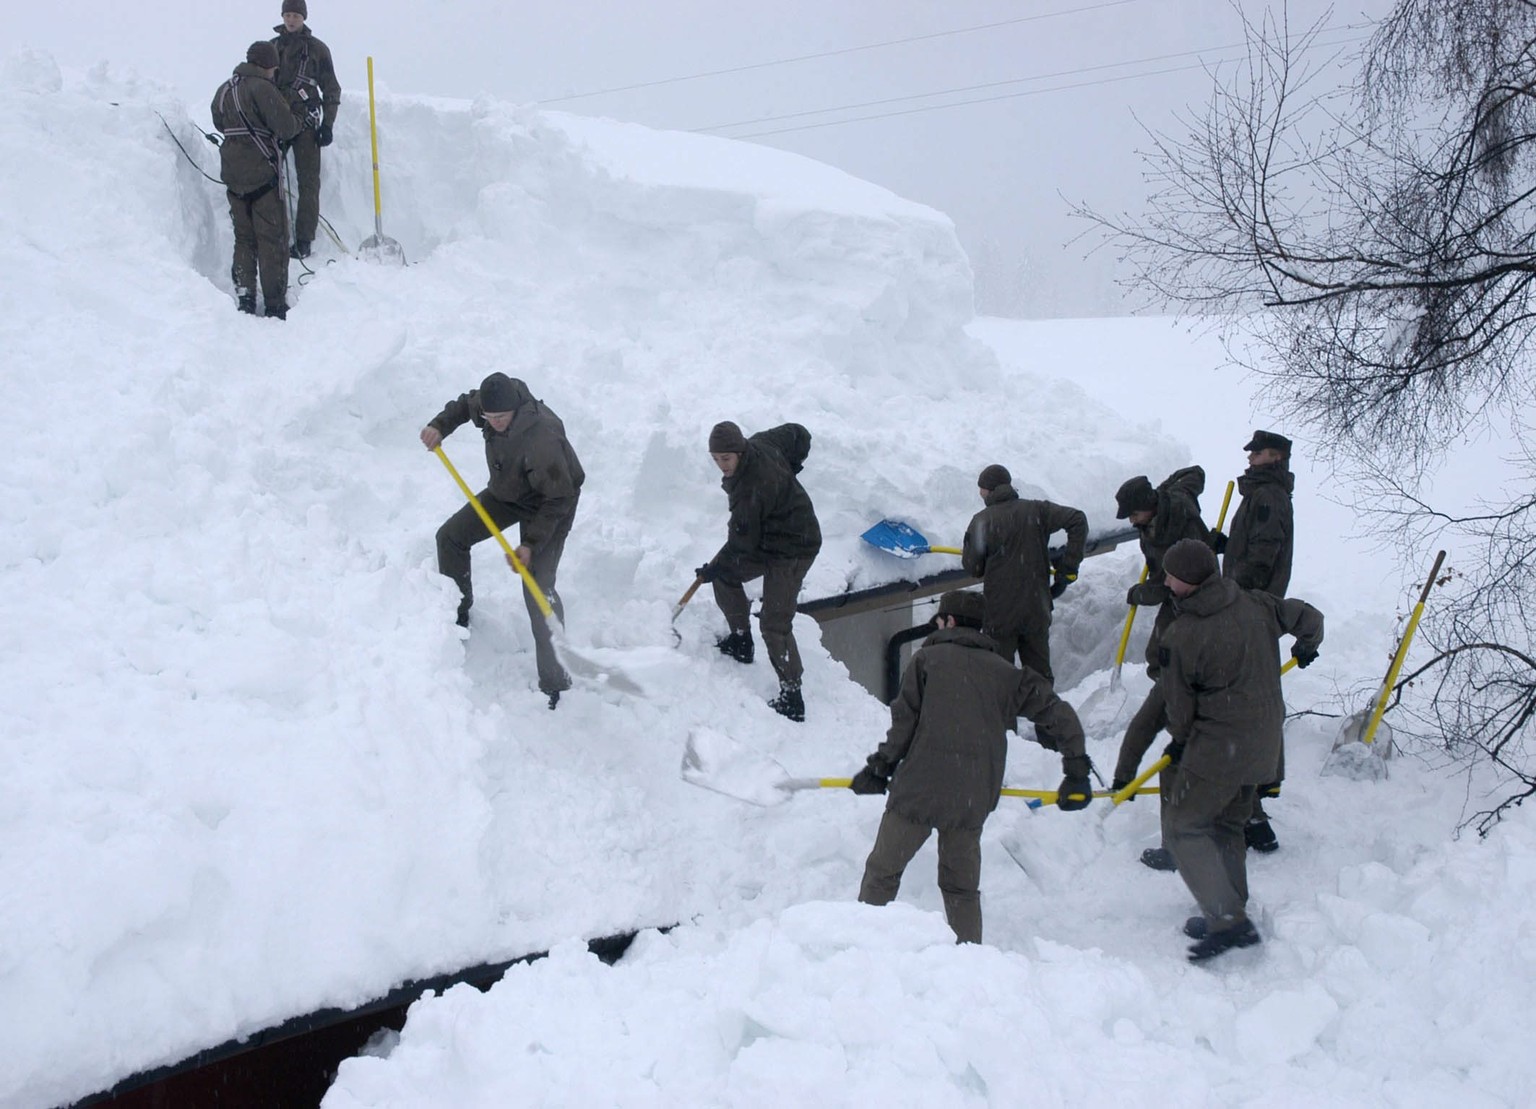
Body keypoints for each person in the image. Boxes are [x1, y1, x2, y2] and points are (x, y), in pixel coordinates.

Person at [850, 589, 1093, 944]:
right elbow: (1061, 716)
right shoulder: (1006, 674)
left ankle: (861, 944)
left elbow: (904, 724)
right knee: (961, 888)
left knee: (882, 873)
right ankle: (969, 959)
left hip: (918, 791)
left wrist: (880, 768)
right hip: (971, 797)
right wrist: (1076, 771)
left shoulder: (926, 661)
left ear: (948, 621)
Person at [1154, 539, 1322, 961]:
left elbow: (1180, 710)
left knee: (1185, 827)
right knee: (1230, 824)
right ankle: (1228, 909)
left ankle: (1229, 922)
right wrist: (1307, 644)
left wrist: (1184, 739)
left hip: (1222, 744)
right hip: (1261, 741)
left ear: (1188, 581)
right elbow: (1309, 617)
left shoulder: (1190, 630)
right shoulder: (1257, 603)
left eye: (1170, 574)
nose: (1165, 580)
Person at [420, 373, 584, 708]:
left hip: (550, 503)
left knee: (537, 588)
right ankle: (458, 615)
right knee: (450, 537)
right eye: (489, 418)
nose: (493, 424)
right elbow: (466, 405)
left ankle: (557, 680)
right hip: (508, 491)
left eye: (501, 418)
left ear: (516, 408)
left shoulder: (542, 438)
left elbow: (558, 499)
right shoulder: (490, 403)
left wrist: (530, 545)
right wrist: (440, 425)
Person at [1106, 468, 1212, 872]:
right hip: (1177, 596)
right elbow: (1193, 474)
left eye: (1132, 516)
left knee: (1166, 658)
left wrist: (1150, 590)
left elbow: (1189, 578)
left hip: (1190, 602)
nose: (1131, 523)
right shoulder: (1156, 514)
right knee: (1158, 654)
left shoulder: (1181, 523)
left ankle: (1172, 697)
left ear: (1145, 508)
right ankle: (1168, 690)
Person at [695, 421, 821, 722]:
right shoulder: (761, 443)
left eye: (726, 459)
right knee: (726, 577)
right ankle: (741, 640)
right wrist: (793, 464)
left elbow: (741, 544)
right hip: (767, 537)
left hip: (794, 546)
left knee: (774, 623)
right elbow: (796, 433)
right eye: (715, 459)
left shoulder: (752, 489)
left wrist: (716, 566)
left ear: (740, 450)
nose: (721, 466)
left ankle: (792, 695)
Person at [1211, 429, 1296, 852]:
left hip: (1248, 609)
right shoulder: (1263, 494)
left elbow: (1263, 555)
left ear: (1276, 456)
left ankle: (1250, 814)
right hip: (1251, 606)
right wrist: (1227, 547)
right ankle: (1253, 816)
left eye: (1258, 453)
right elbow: (1254, 548)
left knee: (1240, 707)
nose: (1250, 459)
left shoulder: (1268, 497)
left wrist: (1235, 597)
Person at [961, 463, 1087, 683]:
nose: (980, 494)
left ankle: (1003, 716)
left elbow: (974, 568)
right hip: (1036, 608)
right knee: (1039, 679)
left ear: (989, 490)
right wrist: (1068, 567)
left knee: (999, 680)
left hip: (1000, 615)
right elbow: (1077, 520)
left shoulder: (982, 521)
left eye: (981, 489)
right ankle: (1046, 714)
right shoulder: (1037, 510)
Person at [211, 42, 301, 319]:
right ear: (267, 65)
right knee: (272, 240)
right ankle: (274, 303)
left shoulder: (225, 89)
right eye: (273, 68)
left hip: (233, 177)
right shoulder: (264, 88)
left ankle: (245, 297)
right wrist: (299, 117)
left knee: (244, 239)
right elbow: (286, 127)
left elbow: (218, 122)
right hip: (263, 177)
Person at [271, 0, 340, 260]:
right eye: (287, 14)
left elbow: (332, 89)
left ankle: (303, 239)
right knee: (269, 178)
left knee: (308, 181)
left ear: (304, 18)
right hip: (276, 120)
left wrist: (327, 125)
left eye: (296, 15)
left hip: (308, 121)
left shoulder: (317, 50)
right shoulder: (272, 48)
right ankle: (273, 235)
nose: (291, 20)